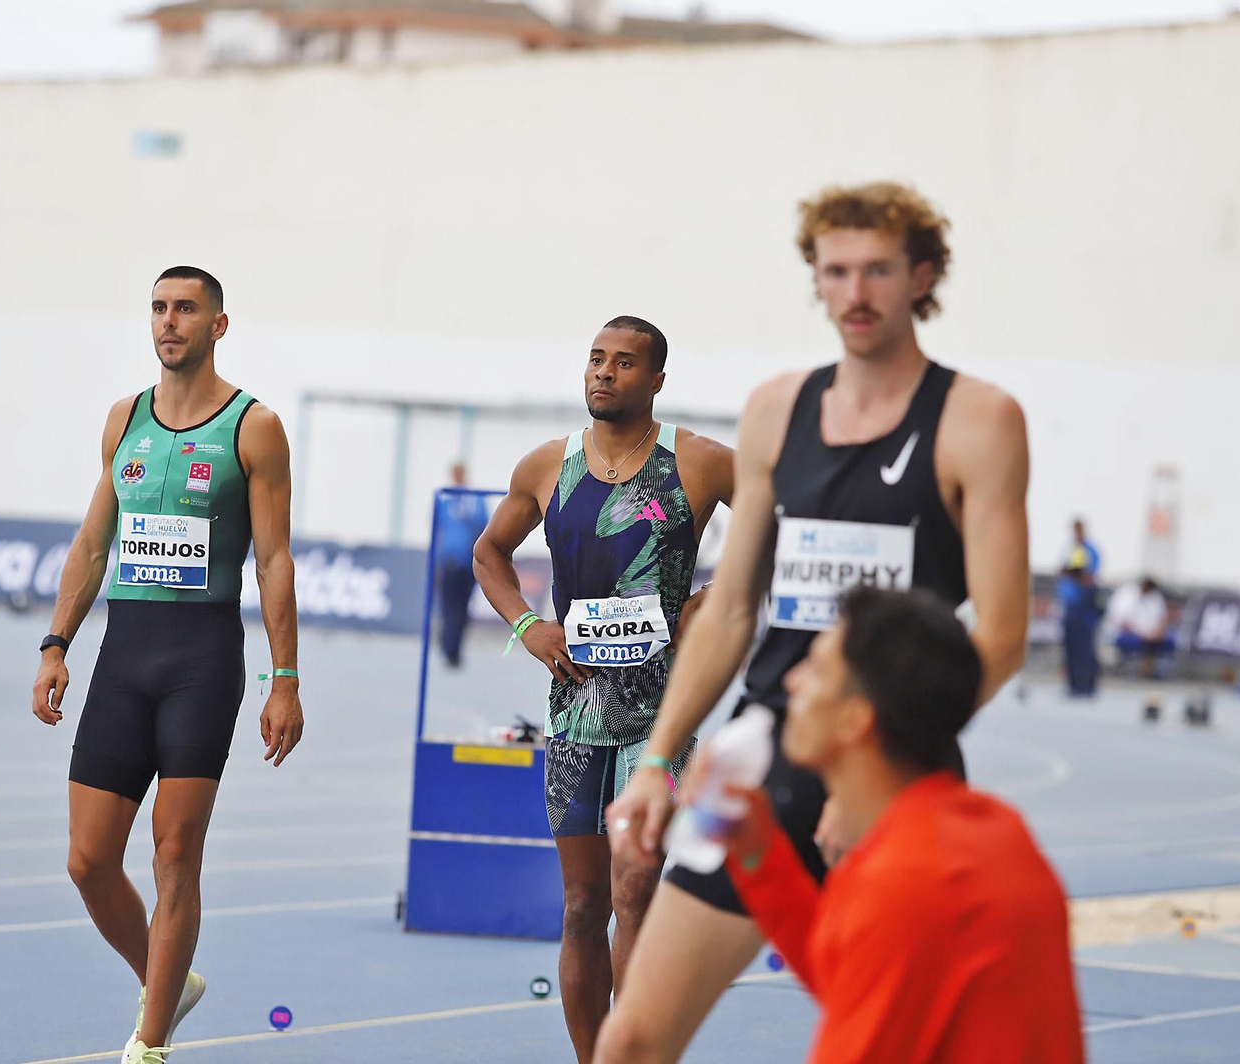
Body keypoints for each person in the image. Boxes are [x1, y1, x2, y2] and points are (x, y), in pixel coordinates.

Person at [596, 181, 1030, 1064]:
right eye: (836, 271)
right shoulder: (776, 410)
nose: (856, 292)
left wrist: (879, 764)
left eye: (878, 270)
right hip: (758, 755)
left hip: (899, 772)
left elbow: (1002, 636)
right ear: (817, 281)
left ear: (923, 278)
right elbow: (732, 609)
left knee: (903, 1044)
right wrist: (655, 761)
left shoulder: (979, 421)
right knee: (633, 1038)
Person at [30, 266, 304, 1064]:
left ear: (218, 325)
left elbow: (276, 559)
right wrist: (55, 645)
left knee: (174, 853)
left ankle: (149, 1044)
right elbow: (91, 544)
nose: (169, 322)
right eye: (158, 307)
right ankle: (169, 983)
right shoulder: (124, 420)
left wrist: (283, 680)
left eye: (186, 309)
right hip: (124, 655)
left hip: (203, 659)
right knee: (87, 862)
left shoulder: (254, 427)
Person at [472, 315, 735, 1063]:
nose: (604, 373)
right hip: (575, 717)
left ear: (655, 380)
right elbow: (489, 552)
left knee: (637, 891)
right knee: (584, 907)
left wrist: (710, 602)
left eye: (624, 363)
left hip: (662, 716)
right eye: (595, 360)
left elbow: (779, 535)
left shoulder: (702, 463)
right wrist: (528, 627)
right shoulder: (548, 466)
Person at [706, 587, 1082, 1063]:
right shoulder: (991, 832)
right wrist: (757, 852)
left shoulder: (904, 880)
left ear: (855, 721)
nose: (792, 681)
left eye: (816, 669)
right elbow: (849, 977)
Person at [434, 462, 489, 667]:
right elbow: (437, 528)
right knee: (447, 606)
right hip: (449, 561)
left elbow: (486, 526)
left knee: (462, 608)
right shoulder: (444, 498)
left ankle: (455, 648)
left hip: (468, 563)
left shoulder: (475, 499)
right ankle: (448, 648)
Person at [1059, 518, 1101, 697]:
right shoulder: (1069, 549)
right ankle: (1073, 685)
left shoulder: (1089, 551)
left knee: (1085, 648)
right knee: (1070, 648)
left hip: (1084, 607)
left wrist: (1074, 573)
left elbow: (1087, 576)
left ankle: (1087, 686)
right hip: (1069, 607)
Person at [1111, 576, 1172, 678]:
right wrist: (1141, 634)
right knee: (1144, 642)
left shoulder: (1155, 597)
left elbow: (1163, 619)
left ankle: (1148, 671)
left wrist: (1157, 632)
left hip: (1151, 636)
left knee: (1158, 641)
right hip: (1129, 633)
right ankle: (1144, 671)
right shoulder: (1126, 595)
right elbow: (1122, 622)